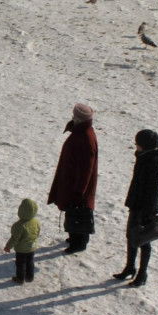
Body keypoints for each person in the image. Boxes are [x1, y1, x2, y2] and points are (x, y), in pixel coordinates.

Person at [114, 129, 158, 287]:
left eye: (138, 143)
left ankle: (142, 274)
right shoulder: (143, 157)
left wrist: (146, 213)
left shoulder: (153, 162)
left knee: (144, 240)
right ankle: (130, 267)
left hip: (145, 209)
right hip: (136, 205)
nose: (136, 145)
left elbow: (152, 191)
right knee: (131, 236)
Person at [47, 103, 98, 254]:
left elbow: (86, 169)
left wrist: (79, 190)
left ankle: (79, 242)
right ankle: (75, 236)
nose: (72, 117)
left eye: (75, 116)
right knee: (72, 211)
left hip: (76, 185)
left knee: (78, 212)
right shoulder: (82, 132)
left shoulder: (86, 138)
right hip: (71, 180)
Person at [4, 198, 41, 283]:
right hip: (32, 247)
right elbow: (37, 232)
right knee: (30, 262)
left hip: (21, 250)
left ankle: (20, 278)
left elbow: (15, 238)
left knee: (20, 264)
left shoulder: (19, 225)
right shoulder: (36, 222)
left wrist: (8, 247)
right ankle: (30, 277)